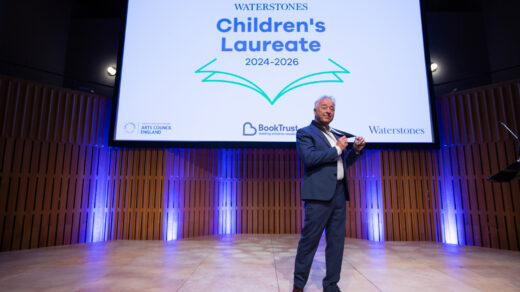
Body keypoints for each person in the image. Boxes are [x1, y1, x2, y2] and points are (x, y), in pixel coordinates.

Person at [293, 96, 366, 292]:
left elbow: (340, 164)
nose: (328, 111)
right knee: (309, 242)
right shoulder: (304, 133)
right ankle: (298, 285)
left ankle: (331, 285)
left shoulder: (333, 134)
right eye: (324, 107)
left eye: (332, 108)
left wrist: (355, 152)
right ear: (315, 110)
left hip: (339, 194)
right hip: (318, 196)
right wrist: (337, 149)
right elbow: (309, 158)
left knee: (336, 243)